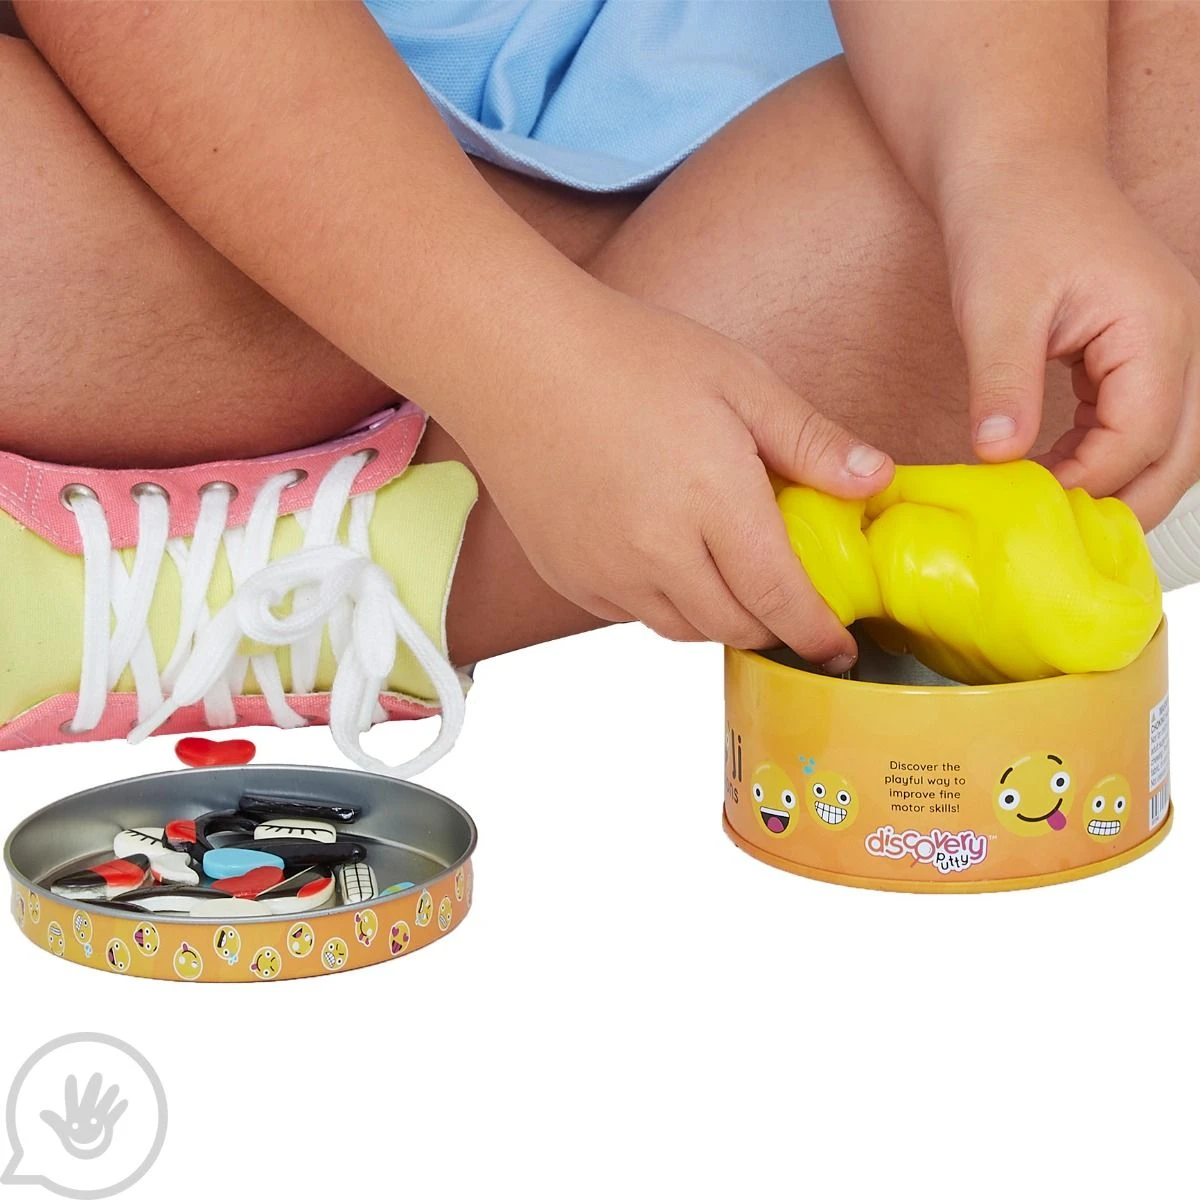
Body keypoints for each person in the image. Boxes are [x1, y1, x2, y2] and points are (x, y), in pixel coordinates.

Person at [1, 1, 1198, 771]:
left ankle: (327, 585)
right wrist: (530, 358)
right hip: (226, 111)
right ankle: (565, 443)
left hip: (834, 87)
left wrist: (1019, 155)